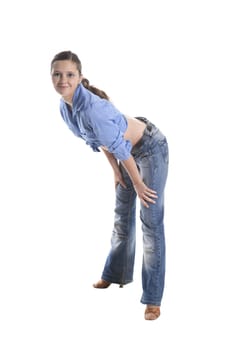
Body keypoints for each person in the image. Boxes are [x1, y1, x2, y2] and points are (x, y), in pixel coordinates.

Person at [51, 50, 169, 320]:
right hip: (125, 151)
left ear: (80, 77)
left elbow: (118, 144)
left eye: (70, 74)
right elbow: (99, 140)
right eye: (57, 74)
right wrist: (115, 171)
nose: (63, 80)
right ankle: (116, 274)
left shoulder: (91, 107)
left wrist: (137, 183)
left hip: (149, 147)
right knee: (121, 214)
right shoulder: (65, 107)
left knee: (150, 219)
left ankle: (153, 299)